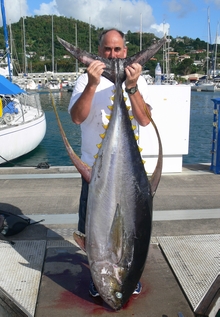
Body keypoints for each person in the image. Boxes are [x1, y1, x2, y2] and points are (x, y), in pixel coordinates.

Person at [68, 28, 152, 297]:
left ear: (125, 52)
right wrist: (93, 84)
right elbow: (77, 118)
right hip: (96, 172)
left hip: (128, 175)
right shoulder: (85, 81)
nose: (113, 54)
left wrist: (132, 87)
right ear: (100, 50)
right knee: (90, 227)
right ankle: (98, 270)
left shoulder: (138, 80)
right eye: (107, 49)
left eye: (117, 50)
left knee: (133, 228)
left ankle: (125, 272)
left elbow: (145, 119)